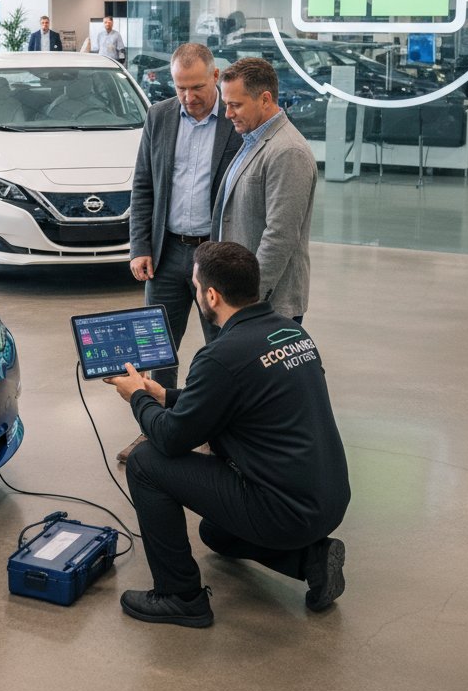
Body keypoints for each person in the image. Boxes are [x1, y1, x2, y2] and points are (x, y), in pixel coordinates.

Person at [106, 241, 350, 628]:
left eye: (195, 284)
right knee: (216, 534)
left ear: (211, 295)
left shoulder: (222, 355)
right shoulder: (289, 331)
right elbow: (235, 396)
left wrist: (137, 397)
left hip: (282, 511)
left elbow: (171, 439)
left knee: (144, 462)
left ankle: (180, 596)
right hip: (328, 499)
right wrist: (163, 394)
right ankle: (311, 561)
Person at [124, 43, 241, 461]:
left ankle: (215, 432)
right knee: (158, 348)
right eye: (180, 87)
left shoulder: (233, 120)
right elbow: (143, 185)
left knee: (220, 349)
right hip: (167, 250)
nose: (188, 97)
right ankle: (156, 428)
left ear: (214, 77)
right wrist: (140, 246)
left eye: (195, 87)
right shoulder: (158, 117)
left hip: (215, 256)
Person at [213, 57, 316, 324]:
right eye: (226, 104)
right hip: (240, 299)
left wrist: (249, 300)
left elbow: (279, 236)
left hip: (266, 306)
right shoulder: (252, 138)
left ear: (265, 99)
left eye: (235, 105)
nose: (228, 114)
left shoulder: (288, 152)